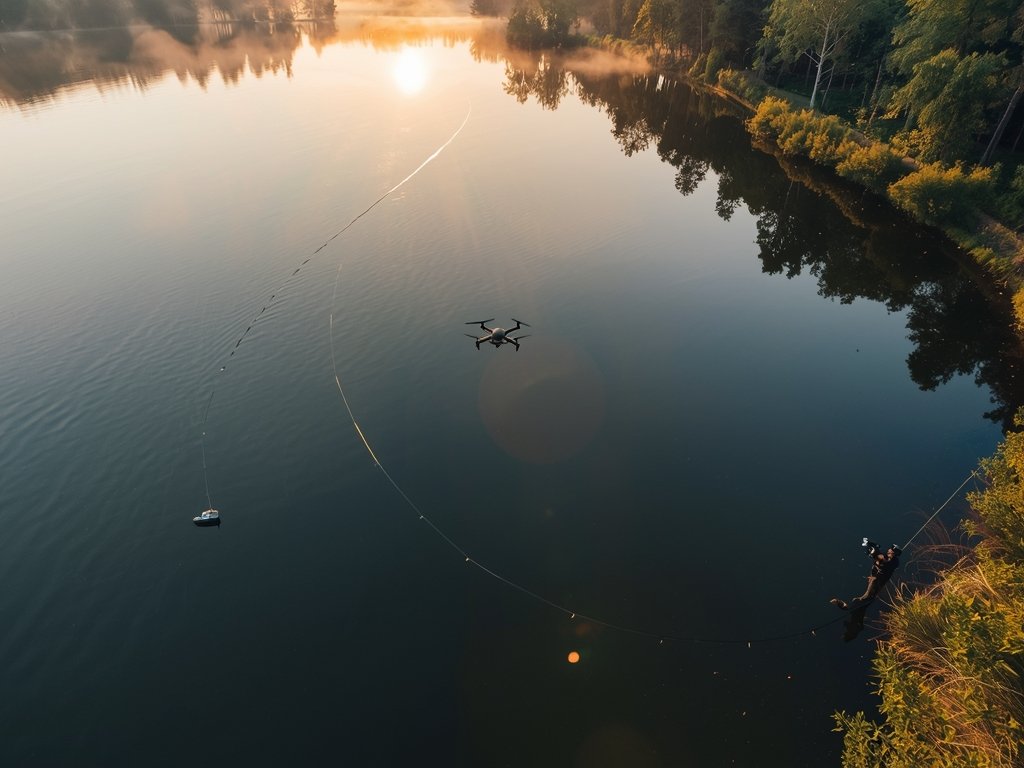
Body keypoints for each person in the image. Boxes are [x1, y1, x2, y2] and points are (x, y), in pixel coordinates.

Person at [830, 540, 901, 611]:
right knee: (868, 596)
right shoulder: (886, 554)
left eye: (893, 552)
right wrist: (872, 547)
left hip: (877, 580)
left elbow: (884, 562)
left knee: (867, 597)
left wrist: (875, 554)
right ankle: (851, 605)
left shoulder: (894, 562)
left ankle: (847, 605)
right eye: (890, 550)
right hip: (874, 576)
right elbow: (880, 556)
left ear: (895, 554)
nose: (890, 551)